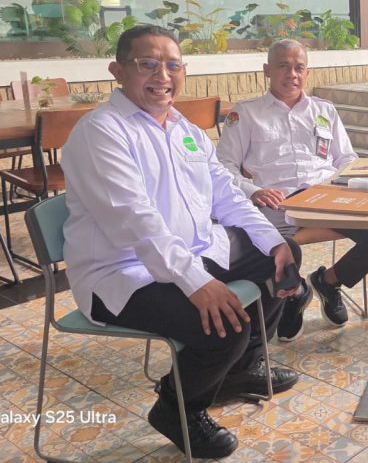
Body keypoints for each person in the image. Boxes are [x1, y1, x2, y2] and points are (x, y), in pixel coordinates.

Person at [60, 25, 301, 459]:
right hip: (122, 274)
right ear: (118, 71)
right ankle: (176, 408)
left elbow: (226, 193)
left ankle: (240, 370)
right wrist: (198, 283)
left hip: (191, 252)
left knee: (281, 256)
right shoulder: (101, 132)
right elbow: (136, 222)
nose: (163, 76)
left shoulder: (183, 127)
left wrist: (273, 242)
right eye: (148, 64)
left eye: (173, 65)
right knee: (227, 324)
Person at [217, 39, 368, 341]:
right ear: (267, 70)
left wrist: (345, 184)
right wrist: (252, 190)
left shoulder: (324, 110)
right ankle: (296, 294)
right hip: (278, 204)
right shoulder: (247, 113)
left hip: (325, 199)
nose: (292, 74)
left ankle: (328, 282)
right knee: (282, 250)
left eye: (299, 67)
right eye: (283, 66)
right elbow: (223, 165)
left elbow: (346, 158)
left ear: (307, 73)